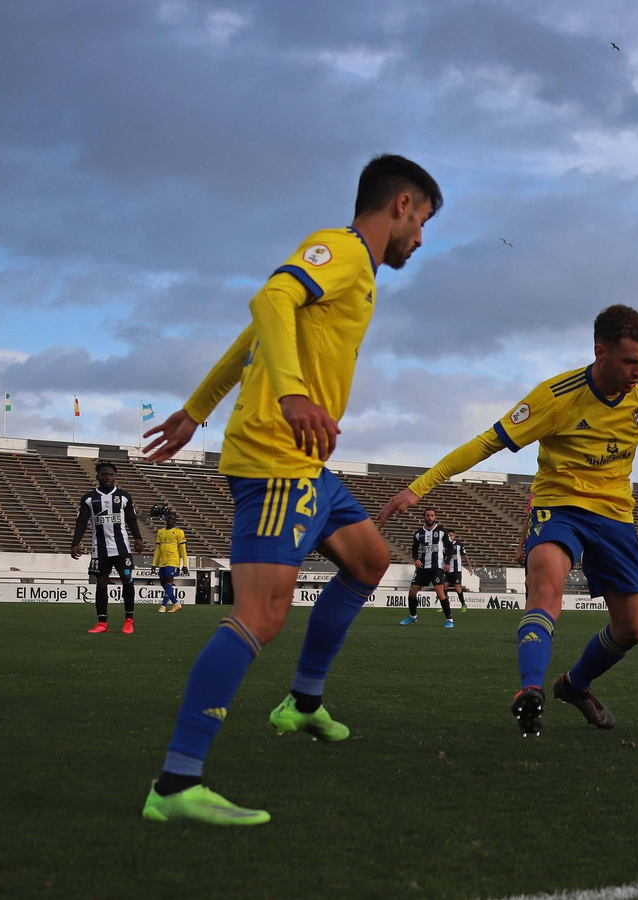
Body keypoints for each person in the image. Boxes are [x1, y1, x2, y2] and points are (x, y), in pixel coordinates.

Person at [137, 154, 441, 825]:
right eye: (422, 222)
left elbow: (255, 334)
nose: (421, 240)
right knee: (261, 615)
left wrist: (196, 408)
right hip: (277, 457)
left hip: (306, 466)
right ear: (402, 204)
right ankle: (177, 782)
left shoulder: (353, 272)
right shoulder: (339, 249)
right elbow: (271, 298)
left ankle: (301, 703)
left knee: (370, 561)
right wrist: (295, 393)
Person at [378, 305, 638, 737]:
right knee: (545, 593)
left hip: (615, 516)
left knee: (632, 630)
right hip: (558, 507)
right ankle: (529, 692)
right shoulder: (555, 396)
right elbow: (487, 442)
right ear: (600, 351)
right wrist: (419, 487)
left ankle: (574, 685)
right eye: (630, 361)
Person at [70, 461, 143, 634]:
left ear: (115, 476)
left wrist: (138, 538)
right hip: (100, 548)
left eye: (111, 474)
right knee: (101, 583)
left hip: (122, 547)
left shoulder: (124, 497)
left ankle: (129, 620)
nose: (108, 477)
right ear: (98, 476)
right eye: (104, 474)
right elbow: (82, 521)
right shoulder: (89, 498)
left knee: (127, 580)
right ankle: (102, 623)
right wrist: (75, 542)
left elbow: (131, 519)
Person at [402, 508, 454, 627]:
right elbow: (414, 549)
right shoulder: (418, 533)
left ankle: (449, 619)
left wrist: (447, 562)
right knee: (412, 592)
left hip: (437, 566)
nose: (430, 518)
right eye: (427, 515)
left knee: (440, 592)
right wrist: (416, 559)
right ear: (424, 517)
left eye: (432, 515)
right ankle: (413, 616)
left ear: (435, 517)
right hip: (423, 567)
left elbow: (450, 547)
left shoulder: (442, 531)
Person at [154, 509, 188, 613]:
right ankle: (176, 603)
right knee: (163, 583)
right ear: (166, 519)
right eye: (169, 518)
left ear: (175, 521)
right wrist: (154, 563)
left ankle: (163, 606)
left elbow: (183, 549)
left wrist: (185, 565)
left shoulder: (179, 532)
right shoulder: (161, 532)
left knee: (169, 581)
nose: (170, 520)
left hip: (173, 561)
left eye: (172, 519)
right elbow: (158, 549)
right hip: (163, 561)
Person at [446, 528, 475, 610]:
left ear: (454, 536)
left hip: (456, 570)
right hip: (446, 570)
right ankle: (445, 605)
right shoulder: (444, 545)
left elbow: (465, 556)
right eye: (448, 535)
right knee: (444, 587)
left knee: (457, 588)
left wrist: (470, 566)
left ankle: (463, 604)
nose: (450, 537)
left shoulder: (459, 545)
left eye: (451, 535)